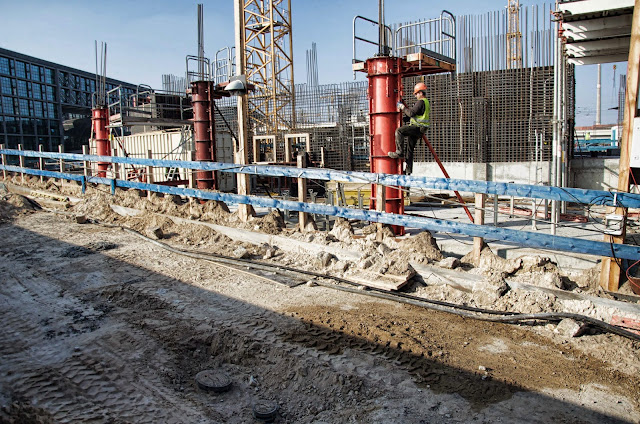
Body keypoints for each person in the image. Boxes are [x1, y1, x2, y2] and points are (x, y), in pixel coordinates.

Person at [388, 82, 430, 175]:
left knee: (399, 131)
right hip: (420, 129)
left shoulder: (421, 102)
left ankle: (399, 152)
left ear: (421, 93)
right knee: (409, 149)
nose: (415, 96)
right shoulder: (426, 102)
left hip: (417, 128)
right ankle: (408, 170)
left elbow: (411, 113)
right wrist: (403, 118)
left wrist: (402, 107)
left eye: (416, 94)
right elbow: (416, 115)